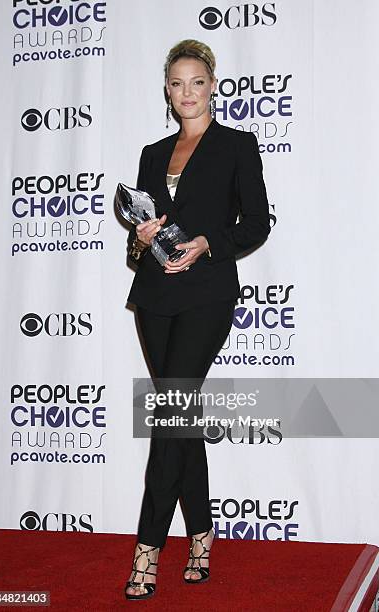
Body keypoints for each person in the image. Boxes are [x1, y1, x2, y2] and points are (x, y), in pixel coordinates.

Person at [124, 39, 271, 600]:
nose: (187, 92)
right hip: (155, 297)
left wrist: (211, 241)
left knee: (168, 417)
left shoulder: (237, 145)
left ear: (213, 85)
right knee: (180, 419)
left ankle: (146, 550)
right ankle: (202, 532)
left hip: (207, 294)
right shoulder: (152, 153)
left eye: (197, 82)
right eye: (177, 83)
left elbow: (257, 223)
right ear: (167, 90)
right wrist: (140, 241)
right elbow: (142, 235)